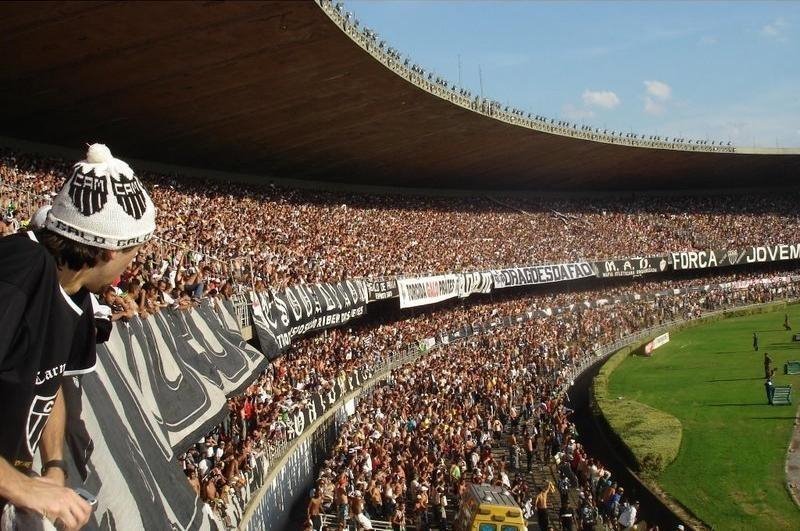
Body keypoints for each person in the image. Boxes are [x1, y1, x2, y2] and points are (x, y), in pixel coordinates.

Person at [0, 144, 156, 531]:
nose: (132, 265)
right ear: (107, 251)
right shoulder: (17, 272)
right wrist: (22, 486)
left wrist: (53, 466)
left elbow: (48, 387)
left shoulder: (77, 296)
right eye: (132, 252)